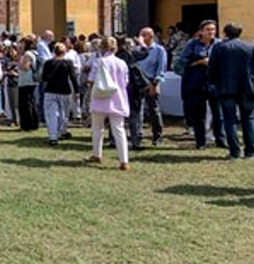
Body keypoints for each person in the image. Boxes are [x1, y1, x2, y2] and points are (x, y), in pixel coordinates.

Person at [208, 23, 254, 160]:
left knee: (229, 119)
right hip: (247, 86)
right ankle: (251, 151)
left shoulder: (219, 48)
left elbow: (212, 69)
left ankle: (234, 151)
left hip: (226, 87)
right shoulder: (251, 47)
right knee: (248, 118)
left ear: (225, 32)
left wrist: (214, 81)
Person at [86, 37, 131, 170]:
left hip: (100, 98)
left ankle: (97, 154)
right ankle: (124, 161)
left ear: (102, 47)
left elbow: (91, 79)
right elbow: (125, 81)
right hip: (117, 98)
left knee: (97, 128)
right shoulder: (122, 63)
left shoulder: (99, 62)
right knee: (119, 129)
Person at [179, 20, 223, 150]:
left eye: (213, 30)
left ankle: (220, 139)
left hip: (214, 82)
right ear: (201, 32)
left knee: (218, 112)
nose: (211, 32)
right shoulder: (192, 44)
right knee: (199, 113)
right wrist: (199, 62)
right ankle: (200, 141)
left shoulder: (219, 45)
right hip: (197, 81)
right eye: (208, 29)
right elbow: (182, 62)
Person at [40, 43, 77, 146]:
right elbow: (73, 78)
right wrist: (76, 91)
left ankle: (53, 137)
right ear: (64, 52)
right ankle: (62, 132)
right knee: (64, 114)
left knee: (51, 114)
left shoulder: (48, 63)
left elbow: (44, 78)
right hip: (65, 90)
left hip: (51, 90)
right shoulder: (68, 63)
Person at [135, 27, 166, 147]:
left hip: (151, 82)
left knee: (154, 110)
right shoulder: (137, 50)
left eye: (144, 35)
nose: (141, 37)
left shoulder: (159, 50)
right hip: (138, 83)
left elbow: (161, 68)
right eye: (140, 35)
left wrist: (155, 83)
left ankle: (157, 136)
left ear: (151, 36)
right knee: (137, 110)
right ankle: (137, 134)